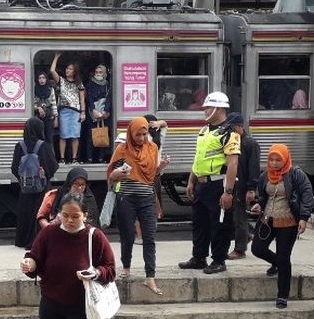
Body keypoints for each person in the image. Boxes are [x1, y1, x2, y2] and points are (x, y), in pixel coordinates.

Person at [178, 92, 240, 274]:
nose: (204, 111)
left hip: (218, 184)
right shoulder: (204, 130)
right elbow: (198, 158)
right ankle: (199, 257)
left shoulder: (230, 133)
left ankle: (219, 260)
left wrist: (228, 192)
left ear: (219, 108)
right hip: (201, 184)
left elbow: (233, 163)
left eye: (207, 108)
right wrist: (191, 180)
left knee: (219, 224)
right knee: (200, 222)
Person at [108, 117, 169, 295]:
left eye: (145, 134)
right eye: (138, 134)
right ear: (131, 133)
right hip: (126, 198)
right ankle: (126, 267)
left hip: (147, 198)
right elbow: (111, 174)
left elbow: (152, 173)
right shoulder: (122, 149)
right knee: (127, 236)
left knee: (149, 238)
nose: (142, 138)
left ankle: (150, 276)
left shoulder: (153, 148)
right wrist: (116, 174)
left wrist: (161, 167)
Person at [249, 144, 314, 309]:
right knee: (257, 248)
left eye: (278, 160)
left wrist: (304, 218)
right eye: (271, 159)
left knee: (284, 257)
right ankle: (276, 263)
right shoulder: (265, 176)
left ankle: (282, 295)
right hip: (267, 220)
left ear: (285, 159)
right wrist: (258, 204)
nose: (274, 163)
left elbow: (307, 195)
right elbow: (263, 195)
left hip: (288, 221)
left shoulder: (296, 174)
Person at [11, 117, 59, 249]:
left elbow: (14, 168)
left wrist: (24, 178)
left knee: (25, 213)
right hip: (41, 188)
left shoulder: (19, 146)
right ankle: (38, 241)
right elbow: (53, 166)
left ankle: (22, 240)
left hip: (25, 188)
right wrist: (44, 177)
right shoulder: (44, 146)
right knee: (41, 212)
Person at [226, 112, 260, 260]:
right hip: (233, 184)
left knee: (239, 216)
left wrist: (252, 188)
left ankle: (240, 250)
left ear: (240, 127)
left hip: (243, 185)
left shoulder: (249, 143)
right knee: (234, 216)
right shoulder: (233, 141)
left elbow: (254, 167)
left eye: (233, 128)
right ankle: (246, 235)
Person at [50, 53, 86, 164]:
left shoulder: (79, 83)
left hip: (75, 111)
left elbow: (82, 99)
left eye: (70, 69)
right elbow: (52, 71)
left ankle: (74, 158)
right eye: (67, 68)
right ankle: (62, 158)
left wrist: (83, 112)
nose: (67, 70)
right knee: (63, 135)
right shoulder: (61, 81)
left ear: (75, 71)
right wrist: (56, 57)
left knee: (75, 135)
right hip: (64, 111)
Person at [83, 64, 112, 163]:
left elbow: (109, 99)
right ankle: (89, 158)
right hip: (93, 113)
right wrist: (93, 110)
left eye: (100, 72)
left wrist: (105, 111)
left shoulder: (108, 85)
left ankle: (101, 157)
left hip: (104, 113)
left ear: (104, 73)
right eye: (96, 72)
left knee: (103, 134)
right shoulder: (90, 84)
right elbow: (89, 98)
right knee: (91, 135)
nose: (98, 74)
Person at [33, 71, 58, 147]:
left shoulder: (50, 89)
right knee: (39, 139)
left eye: (43, 78)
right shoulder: (33, 89)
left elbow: (54, 104)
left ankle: (50, 158)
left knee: (49, 139)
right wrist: (38, 108)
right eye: (40, 78)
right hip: (37, 117)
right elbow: (31, 103)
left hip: (49, 117)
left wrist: (56, 118)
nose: (41, 80)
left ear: (46, 79)